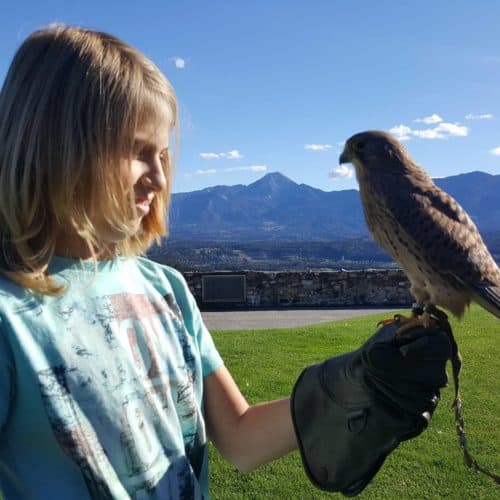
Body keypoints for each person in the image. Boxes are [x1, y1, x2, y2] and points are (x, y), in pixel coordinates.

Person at [0, 25, 450, 499]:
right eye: (136, 152)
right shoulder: (12, 315)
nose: (158, 176)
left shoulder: (166, 290)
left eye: (161, 153)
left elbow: (238, 437)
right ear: (54, 146)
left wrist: (358, 380)